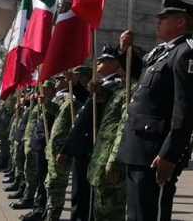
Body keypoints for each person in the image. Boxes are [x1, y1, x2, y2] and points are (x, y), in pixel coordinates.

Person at [115, 0, 193, 221]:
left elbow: (186, 108)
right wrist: (125, 52)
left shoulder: (187, 52)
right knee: (135, 214)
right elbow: (142, 78)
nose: (158, 21)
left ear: (180, 22)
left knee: (150, 214)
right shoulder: (163, 52)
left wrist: (170, 154)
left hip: (155, 152)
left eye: (164, 17)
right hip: (138, 148)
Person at [88, 44, 142, 221]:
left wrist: (114, 160)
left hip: (110, 160)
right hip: (101, 157)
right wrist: (100, 91)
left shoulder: (132, 90)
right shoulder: (120, 89)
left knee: (110, 212)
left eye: (121, 64)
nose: (118, 68)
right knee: (100, 210)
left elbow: (123, 126)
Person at [58, 62, 109, 221]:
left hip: (90, 148)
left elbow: (90, 113)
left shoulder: (110, 88)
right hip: (80, 147)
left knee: (85, 195)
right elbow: (87, 102)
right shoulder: (93, 91)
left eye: (80, 77)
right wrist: (74, 83)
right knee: (78, 194)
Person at [20, 79, 60, 221]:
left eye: (45, 88)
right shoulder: (47, 100)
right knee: (41, 179)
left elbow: (59, 113)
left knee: (47, 182)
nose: (41, 90)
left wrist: (46, 103)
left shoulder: (63, 98)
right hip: (40, 143)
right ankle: (39, 207)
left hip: (49, 144)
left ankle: (42, 210)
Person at [43, 73, 78, 221]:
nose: (56, 80)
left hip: (62, 149)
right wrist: (46, 102)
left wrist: (65, 150)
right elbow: (58, 115)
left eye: (60, 78)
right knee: (50, 183)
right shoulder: (64, 100)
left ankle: (53, 216)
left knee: (56, 184)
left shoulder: (74, 99)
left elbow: (72, 127)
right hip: (54, 147)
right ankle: (50, 213)